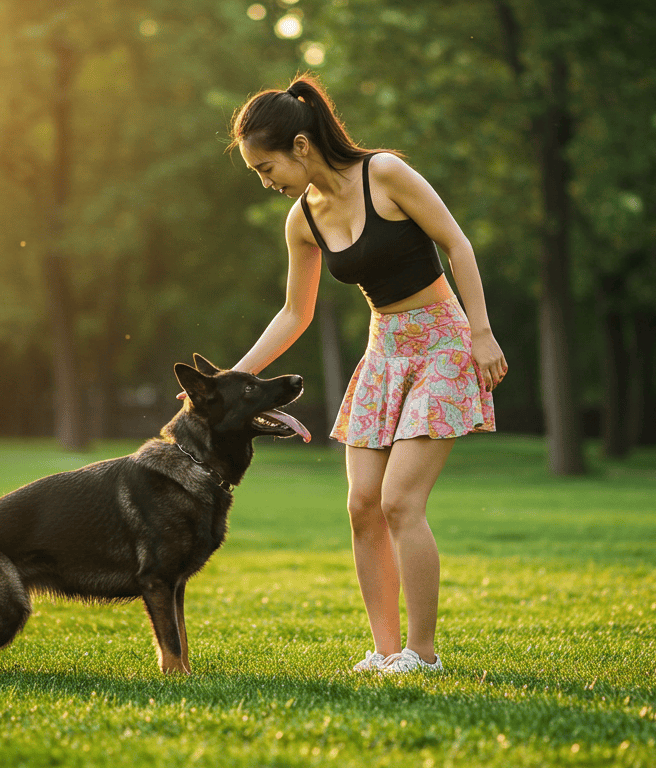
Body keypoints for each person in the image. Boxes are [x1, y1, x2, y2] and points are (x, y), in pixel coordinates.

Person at [223, 74, 506, 674]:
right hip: (384, 354)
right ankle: (384, 653)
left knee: (401, 501)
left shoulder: (386, 175)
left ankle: (422, 655)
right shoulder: (303, 220)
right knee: (362, 505)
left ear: (300, 145)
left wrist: (481, 334)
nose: (264, 180)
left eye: (265, 165)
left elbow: (458, 245)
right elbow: (294, 313)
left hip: (442, 345)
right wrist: (235, 377)